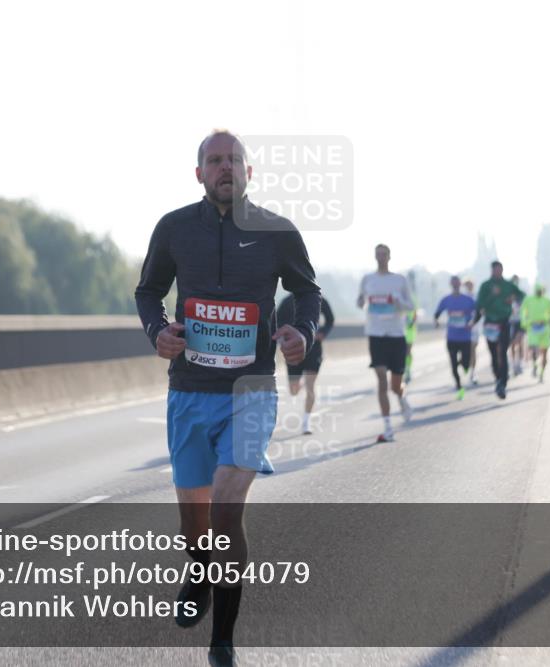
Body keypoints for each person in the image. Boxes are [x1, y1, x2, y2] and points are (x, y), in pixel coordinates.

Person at [134, 130, 320, 667]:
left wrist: (299, 330)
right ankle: (199, 569)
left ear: (249, 172)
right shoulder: (173, 229)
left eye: (234, 159)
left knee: (225, 505)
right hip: (189, 391)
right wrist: (158, 332)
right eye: (214, 160)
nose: (225, 167)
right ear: (199, 173)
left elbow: (307, 290)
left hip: (251, 389)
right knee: (196, 525)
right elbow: (148, 291)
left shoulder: (276, 232)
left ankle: (223, 640)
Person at [358, 244, 414, 442]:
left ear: (390, 256)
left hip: (396, 335)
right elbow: (360, 302)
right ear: (375, 257)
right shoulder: (368, 279)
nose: (381, 257)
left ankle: (403, 398)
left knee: (395, 385)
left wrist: (398, 301)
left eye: (384, 254)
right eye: (378, 254)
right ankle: (388, 427)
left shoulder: (399, 280)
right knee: (381, 380)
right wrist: (362, 299)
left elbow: (411, 306)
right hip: (376, 335)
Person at [276, 294, 335, 434]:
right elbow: (276, 321)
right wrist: (282, 339)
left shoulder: (318, 299)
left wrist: (323, 333)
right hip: (293, 349)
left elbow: (330, 319)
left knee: (310, 386)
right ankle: (299, 384)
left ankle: (306, 423)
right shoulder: (286, 301)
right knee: (294, 390)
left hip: (314, 348)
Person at [472, 260, 525, 400]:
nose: (498, 272)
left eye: (500, 270)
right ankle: (497, 377)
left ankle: (502, 383)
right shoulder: (485, 286)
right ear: (492, 270)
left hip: (504, 322)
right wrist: (492, 295)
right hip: (490, 323)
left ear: (502, 270)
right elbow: (480, 304)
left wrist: (514, 297)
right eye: (495, 270)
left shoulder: (508, 285)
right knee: (494, 354)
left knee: (502, 352)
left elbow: (522, 295)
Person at [433, 276, 476, 400]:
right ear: (451, 284)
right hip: (451, 337)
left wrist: (472, 322)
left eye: (457, 283)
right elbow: (437, 312)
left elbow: (478, 312)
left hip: (465, 337)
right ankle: (458, 384)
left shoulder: (468, 300)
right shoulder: (446, 299)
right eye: (453, 283)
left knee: (466, 364)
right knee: (453, 364)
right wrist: (436, 321)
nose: (456, 285)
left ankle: (461, 364)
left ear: (460, 284)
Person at [521, 283, 550, 382]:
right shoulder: (528, 299)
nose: (539, 292)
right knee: (534, 348)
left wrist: (549, 318)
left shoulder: (548, 300)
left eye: (541, 290)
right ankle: (535, 365)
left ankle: (542, 374)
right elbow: (523, 311)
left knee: (544, 352)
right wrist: (524, 322)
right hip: (532, 327)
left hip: (544, 327)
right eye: (538, 290)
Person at [463, 278, 481, 385]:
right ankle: (467, 367)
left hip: (474, 327)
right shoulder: (462, 297)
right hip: (463, 328)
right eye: (467, 285)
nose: (469, 287)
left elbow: (480, 312)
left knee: (473, 349)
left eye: (470, 285)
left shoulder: (476, 297)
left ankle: (473, 372)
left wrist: (474, 323)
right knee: (466, 351)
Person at [403, 271, 419, 384]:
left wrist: (411, 322)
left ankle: (408, 369)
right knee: (400, 352)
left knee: (408, 351)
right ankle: (402, 369)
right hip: (399, 329)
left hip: (410, 329)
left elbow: (415, 313)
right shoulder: (399, 295)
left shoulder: (413, 297)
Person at [508, 275, 525, 376]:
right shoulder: (507, 295)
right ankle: (514, 364)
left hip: (520, 322)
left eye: (516, 281)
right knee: (513, 345)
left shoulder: (521, 295)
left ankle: (520, 363)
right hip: (511, 322)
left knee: (519, 342)